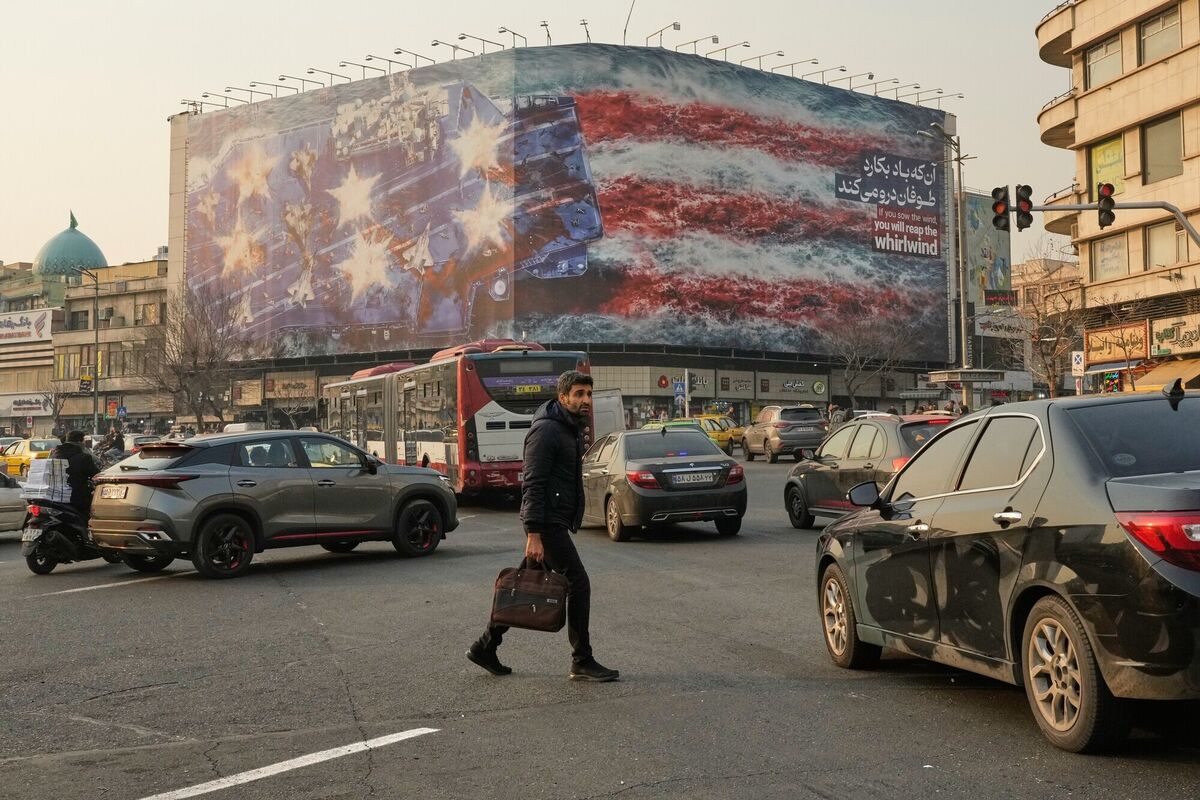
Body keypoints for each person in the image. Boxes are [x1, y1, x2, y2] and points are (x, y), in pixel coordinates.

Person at [467, 370, 619, 682]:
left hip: (552, 521)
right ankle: (582, 660)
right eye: (578, 394)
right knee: (578, 583)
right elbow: (533, 483)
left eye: (588, 394)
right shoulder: (547, 431)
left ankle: (486, 645)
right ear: (562, 397)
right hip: (546, 524)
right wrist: (533, 533)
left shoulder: (569, 428)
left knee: (521, 583)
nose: (585, 400)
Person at [49, 430, 101, 520]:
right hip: (77, 497)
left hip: (54, 494)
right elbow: (96, 474)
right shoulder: (84, 457)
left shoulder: (54, 454)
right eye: (83, 441)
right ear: (79, 442)